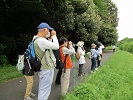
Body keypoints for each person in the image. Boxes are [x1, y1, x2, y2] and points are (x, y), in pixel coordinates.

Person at [33, 22, 59, 100]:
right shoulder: (40, 40)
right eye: (48, 30)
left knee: (43, 89)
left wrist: (50, 38)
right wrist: (54, 36)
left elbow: (47, 46)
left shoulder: (36, 39)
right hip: (46, 69)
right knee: (44, 91)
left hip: (43, 68)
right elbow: (56, 46)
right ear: (44, 30)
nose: (49, 32)